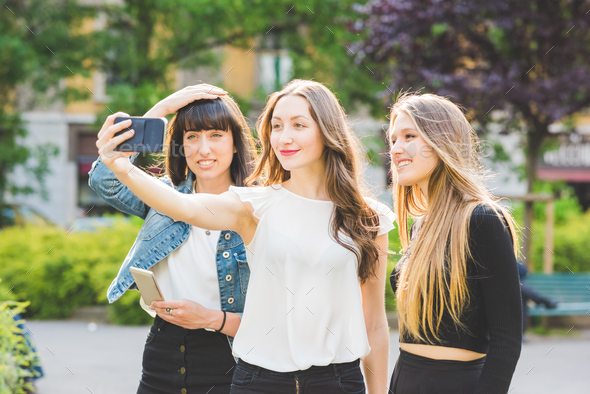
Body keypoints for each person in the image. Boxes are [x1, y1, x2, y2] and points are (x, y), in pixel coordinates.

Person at [95, 79, 396, 394]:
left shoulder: (367, 218)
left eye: (298, 125)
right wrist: (121, 160)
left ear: (327, 130)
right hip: (252, 377)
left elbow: (374, 325)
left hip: (333, 380)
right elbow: (182, 206)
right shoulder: (254, 206)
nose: (284, 137)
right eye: (276, 126)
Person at [89, 84, 257, 394]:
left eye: (216, 135)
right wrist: (162, 109)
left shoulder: (258, 207)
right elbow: (106, 178)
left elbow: (278, 315)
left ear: (236, 143)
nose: (203, 150)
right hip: (163, 352)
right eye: (191, 137)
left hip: (232, 356)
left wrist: (210, 318)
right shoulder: (165, 196)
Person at [387, 93, 523, 394]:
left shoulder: (483, 220)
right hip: (403, 378)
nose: (396, 149)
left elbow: (507, 339)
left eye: (409, 136)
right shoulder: (421, 224)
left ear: (441, 142)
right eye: (393, 139)